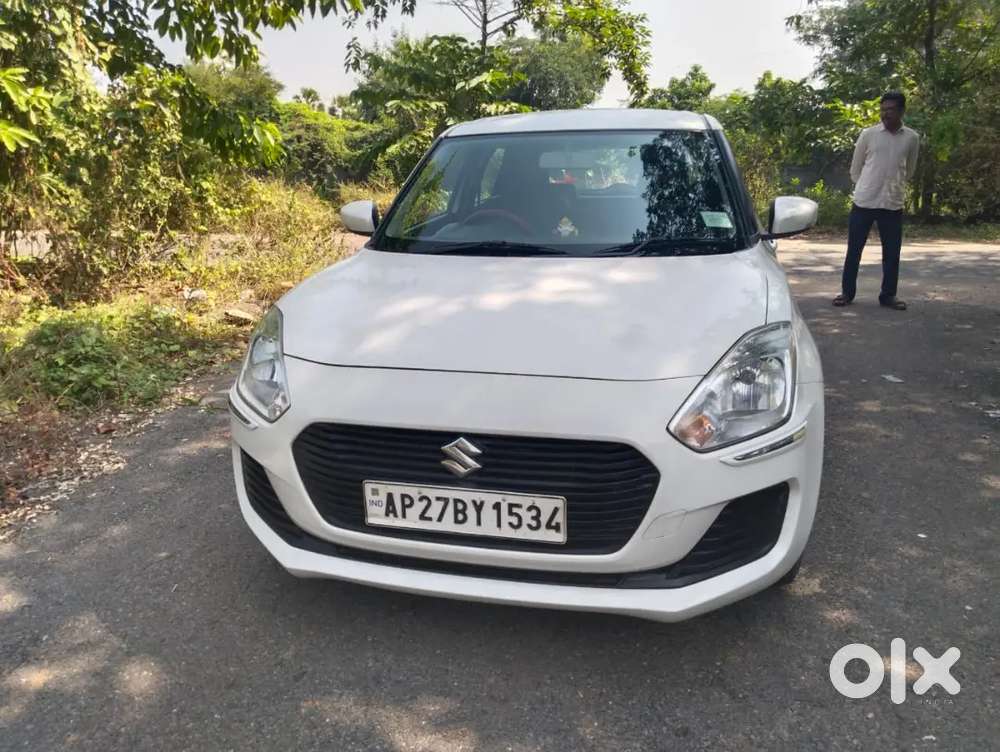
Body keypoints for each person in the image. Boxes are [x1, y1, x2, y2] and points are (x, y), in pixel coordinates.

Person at [833, 91, 920, 310]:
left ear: (901, 111)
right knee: (854, 250)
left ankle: (888, 296)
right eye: (883, 109)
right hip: (864, 202)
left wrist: (894, 186)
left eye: (890, 110)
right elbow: (855, 168)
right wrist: (866, 186)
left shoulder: (912, 138)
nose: (885, 114)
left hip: (892, 204)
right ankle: (847, 293)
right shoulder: (868, 135)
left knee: (892, 253)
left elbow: (909, 170)